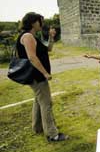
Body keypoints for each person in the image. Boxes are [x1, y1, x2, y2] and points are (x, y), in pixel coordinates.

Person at [17, 12, 68, 142]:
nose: (42, 24)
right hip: (36, 76)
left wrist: (51, 37)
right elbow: (32, 57)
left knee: (38, 100)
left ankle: (37, 127)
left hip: (36, 76)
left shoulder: (33, 36)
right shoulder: (28, 36)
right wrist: (45, 73)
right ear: (33, 22)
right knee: (46, 103)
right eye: (40, 21)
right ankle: (52, 134)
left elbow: (48, 49)